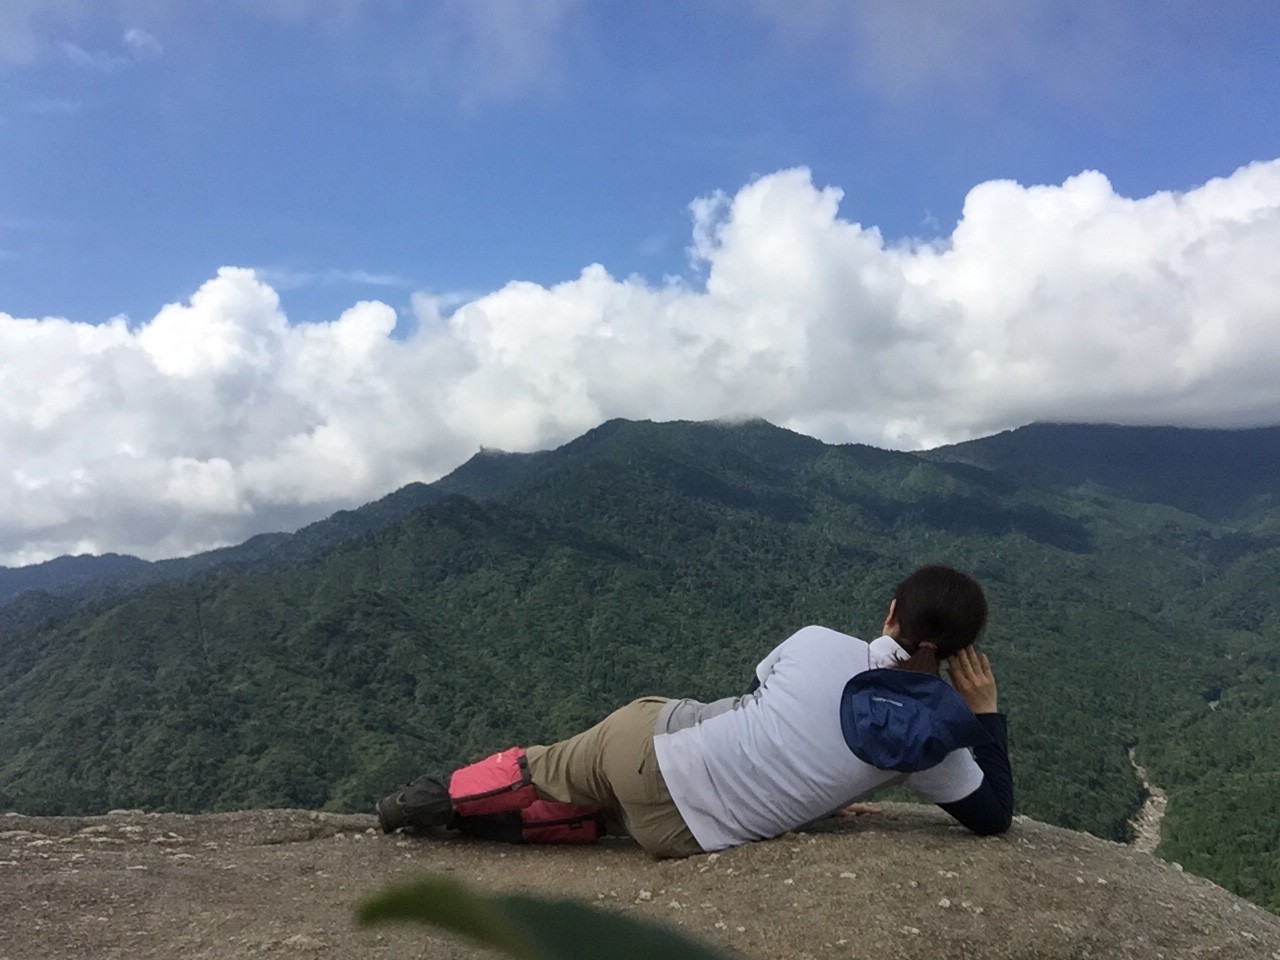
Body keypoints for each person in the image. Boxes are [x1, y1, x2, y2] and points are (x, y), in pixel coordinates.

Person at [377, 563, 1013, 857]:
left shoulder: (820, 642)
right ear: (961, 655)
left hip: (648, 745)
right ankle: (536, 824)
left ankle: (433, 802)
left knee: (543, 767)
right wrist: (982, 716)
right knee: (608, 820)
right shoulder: (938, 743)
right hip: (681, 834)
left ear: (890, 613)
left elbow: (762, 697)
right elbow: (992, 818)